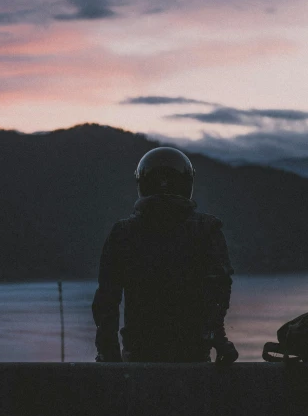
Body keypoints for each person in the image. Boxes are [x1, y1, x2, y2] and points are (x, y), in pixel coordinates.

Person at [92, 146, 238, 363]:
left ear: (141, 183)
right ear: (187, 183)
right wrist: (217, 337)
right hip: (193, 355)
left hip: (138, 355)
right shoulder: (206, 229)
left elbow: (107, 301)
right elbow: (218, 291)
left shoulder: (124, 233)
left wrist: (109, 354)